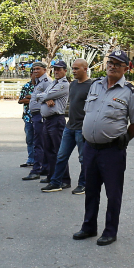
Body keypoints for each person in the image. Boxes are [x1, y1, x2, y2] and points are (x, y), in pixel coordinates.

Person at [72, 50, 134, 247]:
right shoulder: (95, 86)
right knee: (91, 190)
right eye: (110, 62)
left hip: (112, 150)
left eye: (117, 64)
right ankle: (88, 227)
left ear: (125, 68)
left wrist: (124, 139)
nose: (112, 66)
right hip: (90, 148)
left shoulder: (129, 91)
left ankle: (110, 231)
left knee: (113, 193)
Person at [48, 59, 92, 195]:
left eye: (76, 69)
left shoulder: (91, 85)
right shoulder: (72, 84)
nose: (73, 71)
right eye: (72, 68)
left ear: (85, 69)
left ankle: (83, 184)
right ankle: (56, 182)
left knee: (83, 158)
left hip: (82, 128)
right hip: (70, 126)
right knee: (61, 155)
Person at [38, 60, 70, 190]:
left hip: (56, 120)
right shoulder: (53, 83)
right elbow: (39, 95)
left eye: (60, 69)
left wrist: (45, 97)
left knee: (59, 151)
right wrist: (46, 97)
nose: (57, 71)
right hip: (47, 120)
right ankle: (52, 176)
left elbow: (43, 95)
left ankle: (64, 179)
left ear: (65, 71)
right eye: (55, 69)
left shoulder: (64, 85)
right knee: (49, 150)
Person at [22, 62, 51, 181]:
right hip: (35, 115)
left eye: (38, 69)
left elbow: (49, 96)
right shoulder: (39, 82)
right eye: (33, 69)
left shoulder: (47, 82)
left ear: (45, 70)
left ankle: (36, 169)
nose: (35, 71)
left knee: (38, 143)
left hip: (40, 115)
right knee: (39, 142)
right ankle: (44, 167)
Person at [18, 67, 40, 168]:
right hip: (28, 117)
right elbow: (20, 100)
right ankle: (30, 159)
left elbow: (43, 99)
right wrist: (33, 99)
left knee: (39, 140)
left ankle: (39, 161)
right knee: (29, 139)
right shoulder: (27, 86)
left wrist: (30, 97)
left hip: (40, 117)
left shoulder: (42, 86)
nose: (35, 76)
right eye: (33, 74)